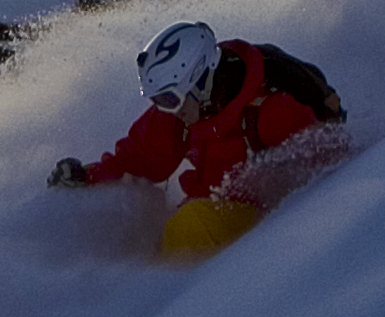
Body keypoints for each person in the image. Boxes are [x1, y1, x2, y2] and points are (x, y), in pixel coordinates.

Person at [49, 20, 345, 214]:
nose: (166, 109)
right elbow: (140, 158)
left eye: (168, 98)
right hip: (210, 210)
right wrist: (87, 177)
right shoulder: (181, 111)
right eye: (158, 100)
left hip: (264, 222)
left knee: (190, 228)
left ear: (201, 80)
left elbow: (326, 163)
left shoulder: (271, 111)